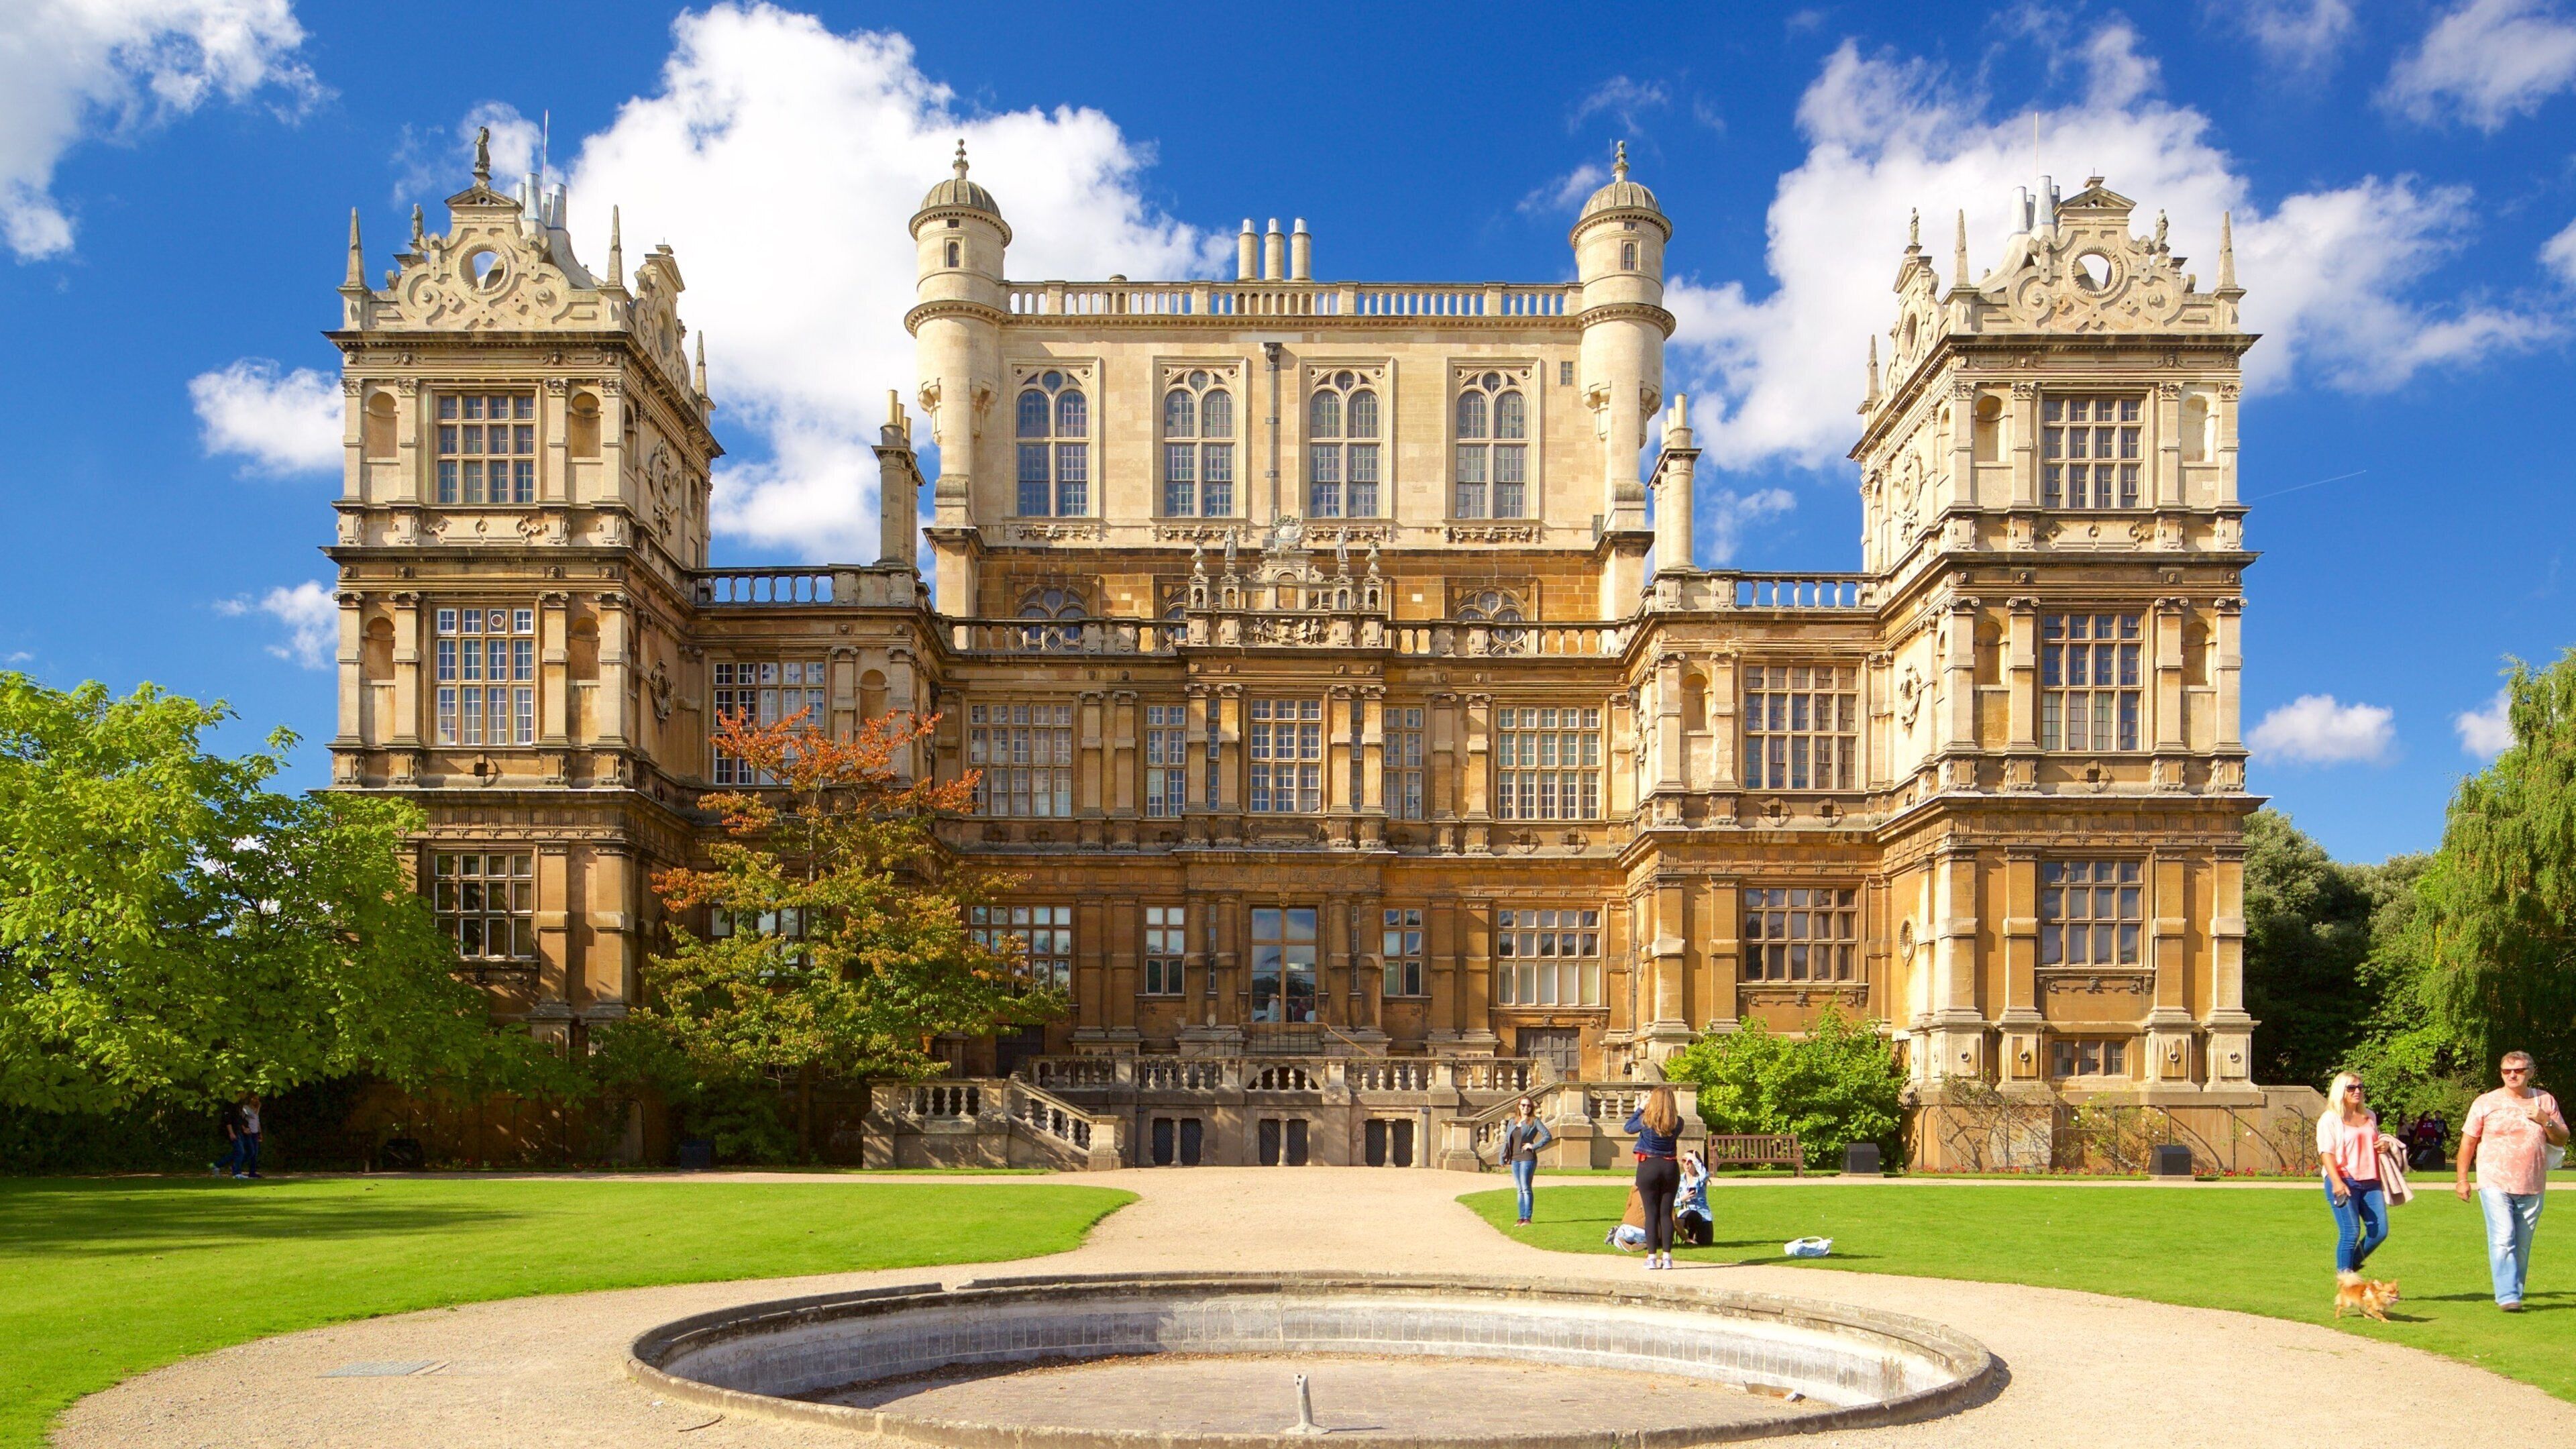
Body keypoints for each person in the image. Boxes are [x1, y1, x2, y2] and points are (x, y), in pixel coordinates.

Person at [2454, 1051, 2569, 1312]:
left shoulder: (2544, 1100)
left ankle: (2513, 1293)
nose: (2512, 1075)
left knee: (2523, 1244)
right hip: (2494, 1180)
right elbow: (2468, 1141)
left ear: (2531, 1071)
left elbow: (2561, 1139)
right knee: (2504, 1236)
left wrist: (2545, 1120)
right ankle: (2506, 1296)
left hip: (2533, 1183)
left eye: (2518, 1070)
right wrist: (2462, 1179)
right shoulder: (2486, 1102)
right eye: (2507, 1071)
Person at [2316, 1072, 2389, 1283]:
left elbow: (2375, 1141)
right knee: (2351, 1232)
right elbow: (2326, 1153)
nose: (2357, 1091)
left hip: (2371, 1181)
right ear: (2341, 1091)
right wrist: (2337, 1182)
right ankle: (2346, 1283)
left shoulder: (2370, 1116)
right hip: (2344, 1180)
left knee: (2379, 1231)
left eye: (2360, 1087)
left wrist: (2384, 1145)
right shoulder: (2330, 1119)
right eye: (2351, 1088)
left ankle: (2349, 1265)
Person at [1623, 1086, 1684, 1271]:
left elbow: (1628, 1128)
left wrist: (1641, 1107)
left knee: (1651, 1214)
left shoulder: (1646, 1120)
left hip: (1648, 1166)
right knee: (1666, 1214)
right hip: (1669, 1167)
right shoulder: (1678, 1122)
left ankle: (1651, 1257)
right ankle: (1667, 1257)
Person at [1499, 1097, 1553, 1226]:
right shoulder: (1512, 1121)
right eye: (1523, 1105)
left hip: (1527, 1158)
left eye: (1528, 1106)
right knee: (1519, 1189)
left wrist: (1533, 1146)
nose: (1525, 1108)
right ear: (1519, 1106)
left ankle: (1527, 1218)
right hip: (1515, 1159)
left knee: (1526, 1188)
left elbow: (1548, 1136)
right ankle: (1521, 1217)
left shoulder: (1534, 1121)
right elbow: (1507, 1140)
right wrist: (1502, 1157)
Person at [1674, 1149, 1713, 1248]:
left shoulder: (1701, 1178)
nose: (1687, 1164)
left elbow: (1705, 1175)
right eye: (1684, 1161)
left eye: (1690, 1161)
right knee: (1693, 1215)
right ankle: (1689, 1235)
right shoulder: (1679, 1180)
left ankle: (1694, 1236)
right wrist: (1683, 1199)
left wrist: (1694, 1159)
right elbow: (1671, 1203)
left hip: (1703, 1214)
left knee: (1706, 1243)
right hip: (1685, 1214)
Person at [211, 1097, 246, 1178]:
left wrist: (243, 1129)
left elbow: (238, 1120)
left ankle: (216, 1165)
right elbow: (228, 1121)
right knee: (240, 1151)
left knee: (238, 1152)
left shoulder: (237, 1105)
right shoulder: (229, 1105)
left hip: (237, 1131)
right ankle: (237, 1173)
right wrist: (231, 1133)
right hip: (234, 1132)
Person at [235, 1093, 264, 1179]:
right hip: (248, 1132)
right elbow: (253, 1115)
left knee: (255, 1153)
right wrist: (259, 1108)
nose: (257, 1101)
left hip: (255, 1132)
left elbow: (257, 1121)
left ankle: (252, 1172)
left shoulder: (256, 1110)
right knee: (251, 1152)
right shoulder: (245, 1108)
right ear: (250, 1099)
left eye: (258, 1099)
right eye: (255, 1099)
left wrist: (260, 1133)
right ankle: (236, 1166)